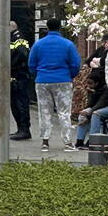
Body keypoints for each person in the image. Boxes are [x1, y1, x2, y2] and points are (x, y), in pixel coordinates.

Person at [27, 17, 81, 152]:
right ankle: (68, 143)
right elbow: (75, 64)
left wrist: (39, 74)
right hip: (63, 80)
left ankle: (45, 142)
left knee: (44, 111)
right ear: (59, 28)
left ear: (47, 27)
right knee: (64, 112)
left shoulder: (38, 44)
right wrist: (69, 75)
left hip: (43, 81)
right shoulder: (68, 44)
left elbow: (31, 64)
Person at [75, 48, 108, 148]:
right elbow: (91, 103)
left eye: (91, 84)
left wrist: (89, 112)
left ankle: (92, 141)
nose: (89, 86)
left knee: (95, 114)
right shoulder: (93, 89)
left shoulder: (105, 89)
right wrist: (86, 112)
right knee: (83, 114)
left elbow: (102, 103)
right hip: (98, 106)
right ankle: (79, 141)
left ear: (97, 83)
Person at [8, 21, 32, 140]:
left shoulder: (19, 39)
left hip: (19, 76)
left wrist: (10, 65)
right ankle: (20, 129)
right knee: (15, 103)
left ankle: (24, 129)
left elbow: (22, 54)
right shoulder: (13, 38)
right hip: (16, 75)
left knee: (20, 103)